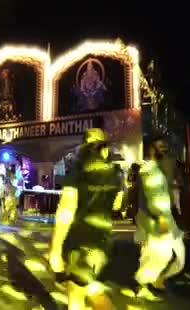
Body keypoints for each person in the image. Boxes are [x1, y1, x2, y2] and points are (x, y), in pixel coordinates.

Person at [48, 128, 124, 310]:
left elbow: (66, 211)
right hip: (103, 242)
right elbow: (117, 205)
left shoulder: (77, 173)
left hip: (80, 243)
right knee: (89, 287)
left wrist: (55, 249)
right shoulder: (116, 173)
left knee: (76, 296)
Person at [134, 134, 186, 302]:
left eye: (165, 145)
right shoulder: (150, 170)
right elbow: (156, 198)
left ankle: (154, 279)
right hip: (156, 220)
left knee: (175, 255)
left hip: (161, 218)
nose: (164, 148)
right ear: (151, 148)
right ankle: (142, 283)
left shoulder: (155, 168)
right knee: (159, 255)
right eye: (160, 145)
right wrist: (162, 220)